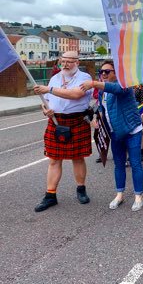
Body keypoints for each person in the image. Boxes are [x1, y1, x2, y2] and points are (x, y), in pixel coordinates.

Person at [80, 61, 143, 211]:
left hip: (131, 130)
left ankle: (138, 196)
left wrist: (94, 83)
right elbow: (101, 108)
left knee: (135, 164)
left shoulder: (124, 85)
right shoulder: (103, 91)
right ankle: (119, 194)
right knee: (118, 164)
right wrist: (96, 119)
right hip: (115, 132)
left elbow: (116, 89)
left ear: (117, 73)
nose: (103, 74)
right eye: (101, 71)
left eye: (107, 72)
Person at [33, 51, 92, 212]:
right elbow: (45, 101)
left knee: (78, 158)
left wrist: (49, 89)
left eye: (69, 62)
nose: (65, 64)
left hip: (76, 121)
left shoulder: (84, 78)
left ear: (77, 63)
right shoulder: (55, 78)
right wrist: (46, 110)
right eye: (62, 61)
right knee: (54, 159)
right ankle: (50, 195)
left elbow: (76, 94)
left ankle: (81, 190)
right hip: (56, 121)